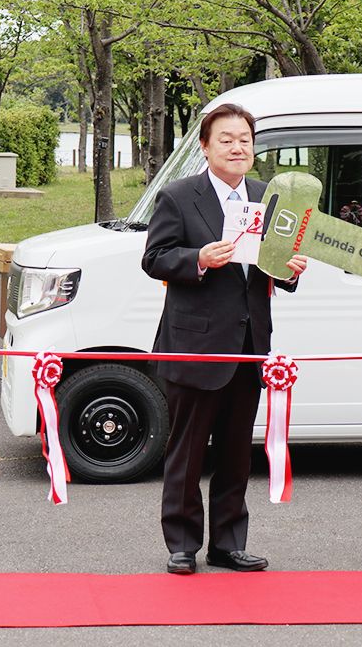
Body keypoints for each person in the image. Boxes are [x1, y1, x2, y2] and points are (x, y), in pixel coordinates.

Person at [142, 103, 307, 576]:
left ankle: (229, 544)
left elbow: (275, 265)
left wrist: (290, 271)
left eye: (245, 140)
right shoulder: (178, 196)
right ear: (205, 146)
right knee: (187, 451)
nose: (238, 148)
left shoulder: (268, 198)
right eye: (227, 140)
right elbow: (154, 258)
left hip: (249, 344)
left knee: (236, 454)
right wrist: (198, 258)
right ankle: (182, 544)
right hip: (194, 345)